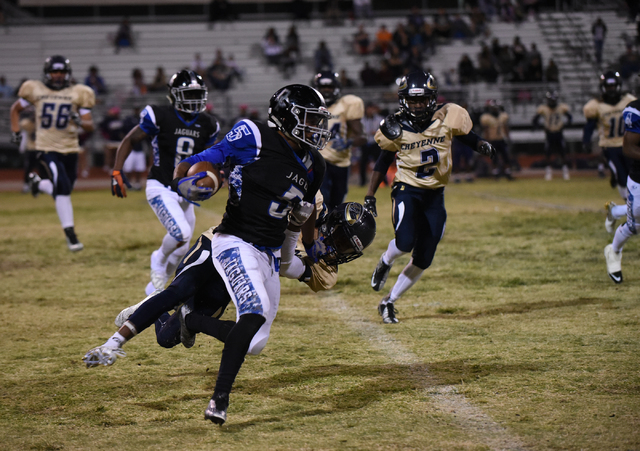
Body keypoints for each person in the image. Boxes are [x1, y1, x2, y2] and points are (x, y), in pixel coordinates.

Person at [83, 83, 331, 426]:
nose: (317, 129)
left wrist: (313, 243)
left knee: (251, 343)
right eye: (310, 120)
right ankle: (216, 399)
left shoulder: (315, 164)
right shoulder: (255, 135)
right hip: (234, 241)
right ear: (287, 117)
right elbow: (205, 160)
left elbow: (306, 212)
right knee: (235, 308)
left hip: (269, 254)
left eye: (319, 121)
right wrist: (192, 175)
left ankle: (189, 320)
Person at [363, 71, 496, 323]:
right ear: (403, 100)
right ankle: (385, 260)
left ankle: (389, 301)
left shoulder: (446, 118)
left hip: (435, 193)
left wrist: (481, 145)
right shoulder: (396, 126)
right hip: (407, 189)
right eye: (413, 101)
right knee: (404, 243)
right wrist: (370, 194)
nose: (418, 105)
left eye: (422, 100)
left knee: (424, 257)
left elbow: (467, 136)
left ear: (432, 99)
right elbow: (383, 161)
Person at [110, 70, 220, 296]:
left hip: (187, 191)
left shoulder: (208, 124)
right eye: (189, 94)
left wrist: (214, 177)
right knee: (179, 234)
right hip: (161, 185)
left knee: (183, 249)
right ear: (175, 95)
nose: (194, 100)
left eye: (197, 94)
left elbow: (211, 158)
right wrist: (117, 170)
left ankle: (155, 291)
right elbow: (131, 139)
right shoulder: (159, 115)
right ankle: (157, 259)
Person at [9, 55, 95, 252]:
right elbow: (15, 109)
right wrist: (15, 131)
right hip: (46, 148)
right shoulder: (36, 90)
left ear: (68, 74)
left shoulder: (79, 92)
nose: (58, 76)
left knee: (65, 188)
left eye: (61, 72)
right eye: (54, 72)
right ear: (47, 74)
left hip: (71, 148)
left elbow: (90, 126)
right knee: (63, 186)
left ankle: (38, 183)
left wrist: (80, 120)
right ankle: (71, 235)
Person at [313, 71, 366, 210]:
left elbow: (362, 137)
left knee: (337, 202)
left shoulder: (346, 105)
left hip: (340, 161)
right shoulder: (311, 107)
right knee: (322, 199)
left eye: (329, 87)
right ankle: (320, 230)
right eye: (323, 88)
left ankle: (330, 229)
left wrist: (349, 142)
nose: (326, 91)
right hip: (319, 159)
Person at [584, 71, 636, 204]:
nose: (611, 90)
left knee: (634, 174)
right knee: (621, 175)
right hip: (610, 147)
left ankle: (632, 203)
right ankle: (627, 204)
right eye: (608, 87)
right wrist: (586, 141)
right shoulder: (596, 106)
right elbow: (589, 127)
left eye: (613, 86)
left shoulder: (628, 100)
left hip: (628, 145)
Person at [604, 96, 640, 284]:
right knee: (635, 226)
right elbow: (629, 148)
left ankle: (615, 210)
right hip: (639, 176)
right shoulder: (636, 110)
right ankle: (614, 251)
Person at [532, 91, 572, 181]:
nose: (552, 102)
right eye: (551, 100)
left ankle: (565, 171)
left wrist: (565, 125)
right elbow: (535, 119)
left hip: (558, 133)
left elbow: (570, 117)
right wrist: (539, 127)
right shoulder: (543, 108)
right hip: (549, 133)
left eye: (553, 100)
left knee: (563, 153)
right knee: (548, 153)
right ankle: (549, 171)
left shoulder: (561, 107)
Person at [480, 99, 512, 180]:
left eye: (496, 108)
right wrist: (486, 141)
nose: (495, 109)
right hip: (492, 140)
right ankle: (495, 173)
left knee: (506, 157)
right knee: (494, 158)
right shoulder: (486, 117)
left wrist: (508, 137)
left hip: (501, 139)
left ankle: (508, 172)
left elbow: (505, 127)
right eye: (493, 108)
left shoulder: (503, 116)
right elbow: (486, 130)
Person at [121, 106, 147, 190]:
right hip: (130, 148)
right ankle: (128, 183)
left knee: (139, 168)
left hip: (139, 147)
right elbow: (123, 131)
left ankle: (137, 183)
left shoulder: (143, 121)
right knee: (128, 168)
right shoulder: (129, 120)